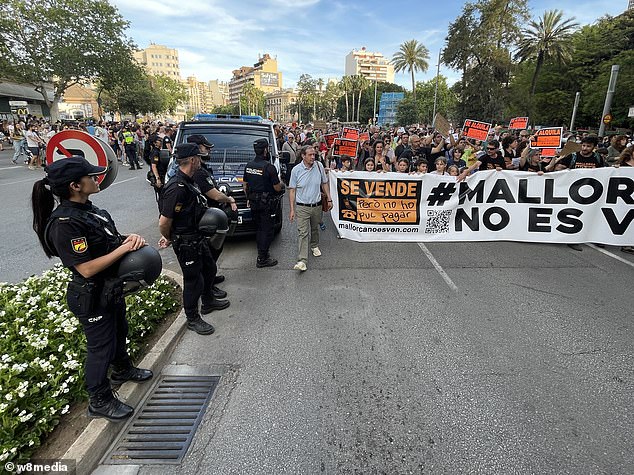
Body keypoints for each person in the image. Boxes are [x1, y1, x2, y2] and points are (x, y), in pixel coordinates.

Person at [31, 156, 152, 421]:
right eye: (91, 176)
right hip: (91, 295)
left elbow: (108, 242)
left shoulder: (90, 210)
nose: (97, 179)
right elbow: (85, 269)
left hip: (109, 288)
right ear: (75, 185)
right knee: (101, 349)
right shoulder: (65, 224)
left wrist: (126, 239)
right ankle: (99, 400)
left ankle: (122, 369)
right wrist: (123, 248)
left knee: (120, 331)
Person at [159, 143, 230, 335]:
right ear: (192, 160)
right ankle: (192, 318)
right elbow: (164, 222)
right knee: (193, 281)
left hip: (197, 238)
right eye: (198, 157)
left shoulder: (190, 181)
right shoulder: (176, 187)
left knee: (209, 268)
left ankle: (208, 301)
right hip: (185, 241)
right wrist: (171, 238)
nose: (201, 159)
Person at [288, 145, 332, 272]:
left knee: (314, 228)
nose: (313, 157)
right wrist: (292, 209)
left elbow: (324, 183)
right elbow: (292, 190)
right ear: (303, 156)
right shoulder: (296, 170)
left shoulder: (319, 166)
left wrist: (329, 198)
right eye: (310, 155)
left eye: (314, 154)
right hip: (302, 207)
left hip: (317, 205)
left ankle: (314, 245)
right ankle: (302, 260)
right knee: (303, 233)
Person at [241, 138, 283, 268]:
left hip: (253, 202)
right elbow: (277, 188)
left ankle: (262, 253)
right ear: (265, 150)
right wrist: (281, 186)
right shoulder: (269, 167)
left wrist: (249, 198)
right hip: (266, 204)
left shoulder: (249, 165)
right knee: (266, 230)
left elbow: (245, 185)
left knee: (258, 229)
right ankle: (263, 258)